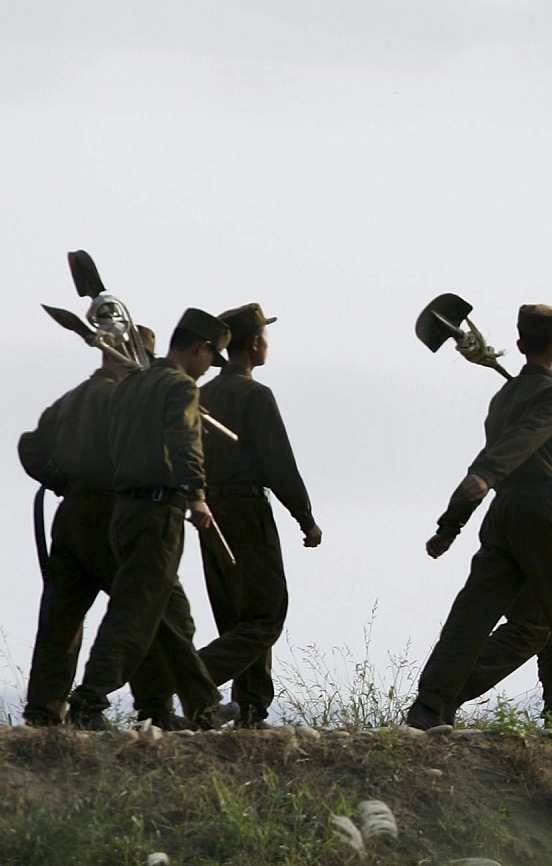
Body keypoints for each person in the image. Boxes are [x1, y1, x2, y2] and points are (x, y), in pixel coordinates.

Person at [405, 305, 552, 729]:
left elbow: (504, 453)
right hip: (540, 515)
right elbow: (517, 446)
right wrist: (485, 477)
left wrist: (451, 523)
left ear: (520, 346)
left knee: (469, 619)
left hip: (501, 515)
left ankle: (429, 708)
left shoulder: (503, 397)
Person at [18, 327, 207, 728]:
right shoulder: (125, 398)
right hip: (114, 511)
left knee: (62, 617)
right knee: (152, 609)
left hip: (70, 514)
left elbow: (30, 447)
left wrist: (61, 482)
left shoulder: (70, 400)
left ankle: (43, 709)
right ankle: (154, 707)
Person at [65, 310, 230, 730]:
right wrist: (197, 496)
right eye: (213, 357)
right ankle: (88, 701)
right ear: (201, 348)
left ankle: (202, 705)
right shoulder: (178, 387)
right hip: (158, 512)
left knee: (173, 618)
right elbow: (183, 440)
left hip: (125, 511)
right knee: (134, 612)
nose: (210, 368)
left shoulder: (132, 385)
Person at [194, 304, 324, 728]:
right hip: (247, 509)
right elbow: (279, 464)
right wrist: (304, 517)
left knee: (236, 614)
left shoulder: (201, 395)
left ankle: (250, 710)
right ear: (253, 344)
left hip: (208, 508)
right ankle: (188, 676)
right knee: (266, 615)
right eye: (264, 337)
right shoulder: (255, 394)